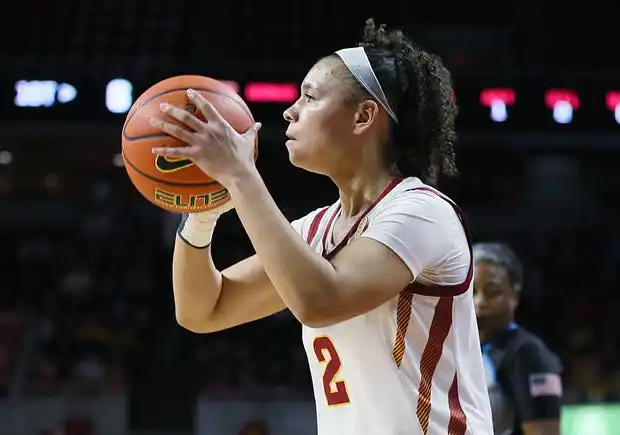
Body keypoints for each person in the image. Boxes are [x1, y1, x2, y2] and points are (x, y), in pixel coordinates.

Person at [150, 19, 492, 435]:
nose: (290, 110)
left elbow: (321, 301)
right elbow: (203, 310)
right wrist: (203, 213)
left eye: (310, 97)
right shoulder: (316, 229)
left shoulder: (422, 213)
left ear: (364, 115)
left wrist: (240, 177)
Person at [473, 242, 562, 435]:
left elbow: (544, 430)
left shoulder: (529, 353)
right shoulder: (458, 350)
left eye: (493, 292)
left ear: (515, 295)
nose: (479, 302)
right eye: (471, 292)